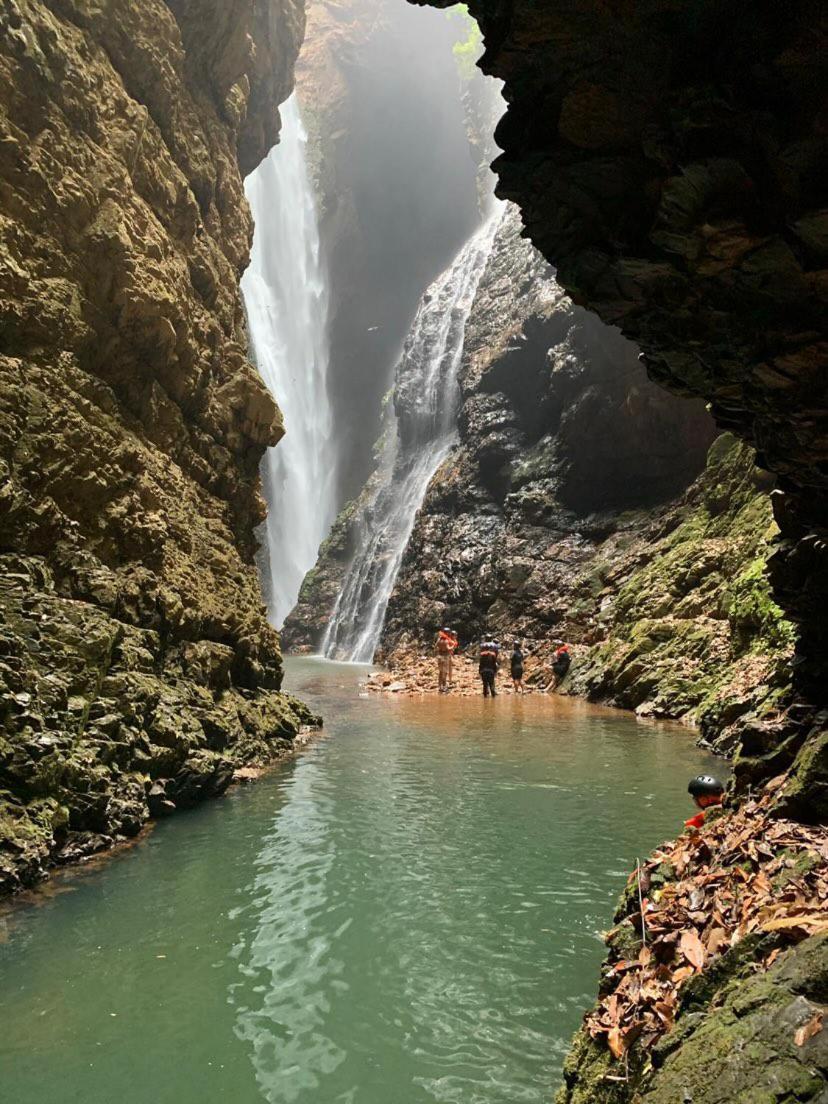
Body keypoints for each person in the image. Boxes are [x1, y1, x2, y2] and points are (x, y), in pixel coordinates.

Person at [436, 627, 453, 694]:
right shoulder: (446, 640)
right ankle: (444, 687)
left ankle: (440, 686)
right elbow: (447, 648)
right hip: (445, 657)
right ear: (447, 633)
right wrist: (453, 646)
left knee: (440, 672)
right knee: (445, 672)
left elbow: (437, 646)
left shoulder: (439, 639)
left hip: (439, 657)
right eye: (449, 632)